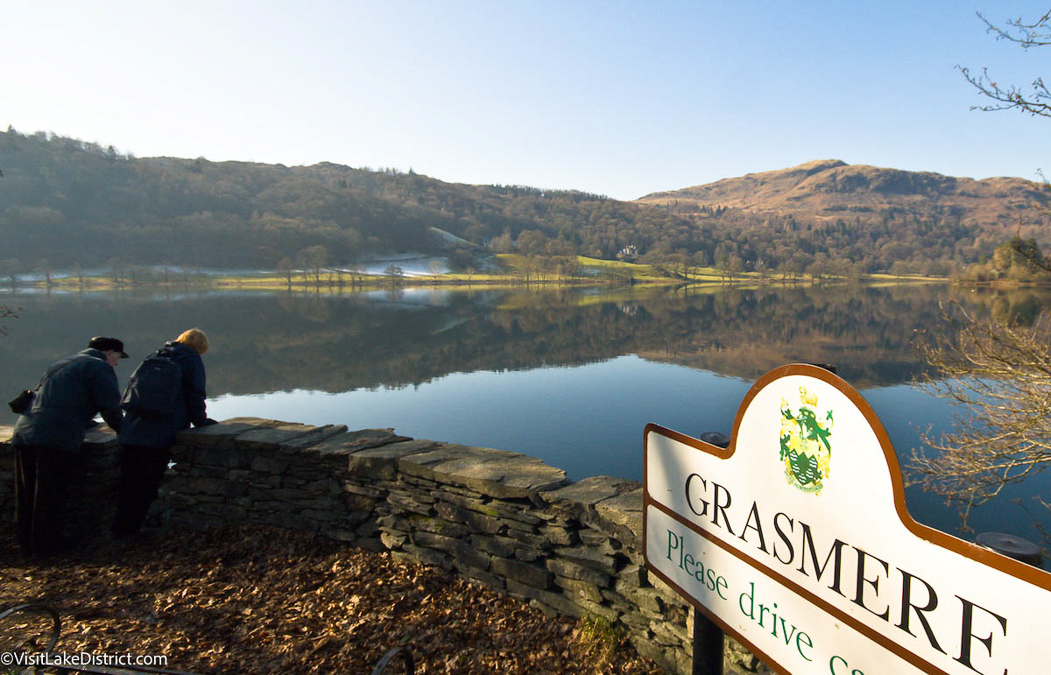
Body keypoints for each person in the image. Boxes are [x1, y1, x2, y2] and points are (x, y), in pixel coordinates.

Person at [12, 336, 127, 557]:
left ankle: (25, 542)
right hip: (55, 436)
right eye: (118, 357)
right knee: (50, 491)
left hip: (25, 431)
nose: (117, 363)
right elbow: (110, 406)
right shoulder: (99, 367)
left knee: (27, 491)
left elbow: (55, 399)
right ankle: (46, 545)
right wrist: (125, 432)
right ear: (109, 352)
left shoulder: (63, 363)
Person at [113, 328, 217, 537]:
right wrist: (201, 421)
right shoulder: (191, 360)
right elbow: (195, 393)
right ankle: (133, 532)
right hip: (160, 431)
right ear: (200, 347)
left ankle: (119, 530)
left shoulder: (156, 355)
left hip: (133, 428)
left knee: (127, 482)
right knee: (147, 483)